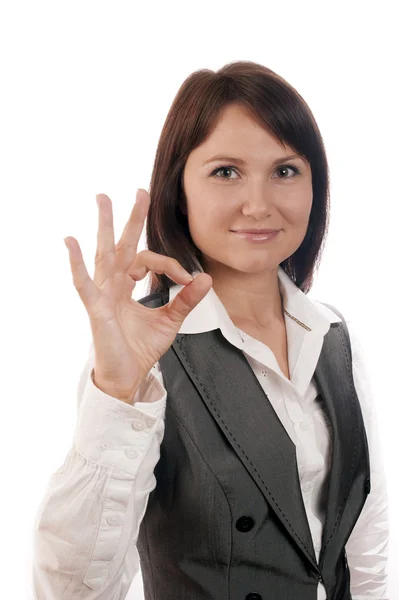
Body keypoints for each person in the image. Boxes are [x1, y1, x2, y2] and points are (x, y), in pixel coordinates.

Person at [32, 61, 389, 599]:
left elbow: (365, 542)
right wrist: (117, 391)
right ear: (179, 189)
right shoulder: (143, 351)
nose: (259, 204)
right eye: (226, 172)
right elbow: (72, 588)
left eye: (285, 170)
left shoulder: (334, 337)